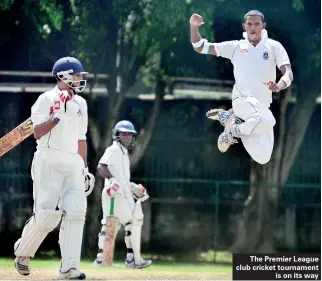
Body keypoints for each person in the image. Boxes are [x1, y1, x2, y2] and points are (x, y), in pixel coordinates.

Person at [13, 56, 95, 279]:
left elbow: (81, 139)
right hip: (49, 159)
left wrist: (85, 168)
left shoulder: (81, 104)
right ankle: (22, 253)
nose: (80, 79)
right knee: (48, 215)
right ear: (63, 76)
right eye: (76, 75)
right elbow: (37, 132)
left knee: (77, 212)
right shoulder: (45, 99)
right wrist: (56, 118)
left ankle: (69, 269)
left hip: (73, 162)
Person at [190, 10, 293, 164]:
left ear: (263, 26)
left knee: (263, 158)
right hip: (242, 100)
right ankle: (233, 126)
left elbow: (288, 73)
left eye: (257, 24)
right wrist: (193, 27)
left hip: (261, 108)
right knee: (269, 120)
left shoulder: (274, 47)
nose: (253, 28)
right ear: (244, 26)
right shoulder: (235, 47)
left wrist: (279, 85)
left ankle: (231, 122)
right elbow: (200, 47)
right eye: (249, 24)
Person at [93, 120, 152, 269]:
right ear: (117, 135)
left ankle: (101, 260)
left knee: (111, 225)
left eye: (130, 134)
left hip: (118, 194)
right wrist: (112, 179)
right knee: (132, 222)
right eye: (124, 134)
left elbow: (122, 178)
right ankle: (133, 260)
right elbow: (101, 166)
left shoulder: (123, 152)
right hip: (114, 194)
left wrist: (133, 188)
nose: (127, 137)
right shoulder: (114, 150)